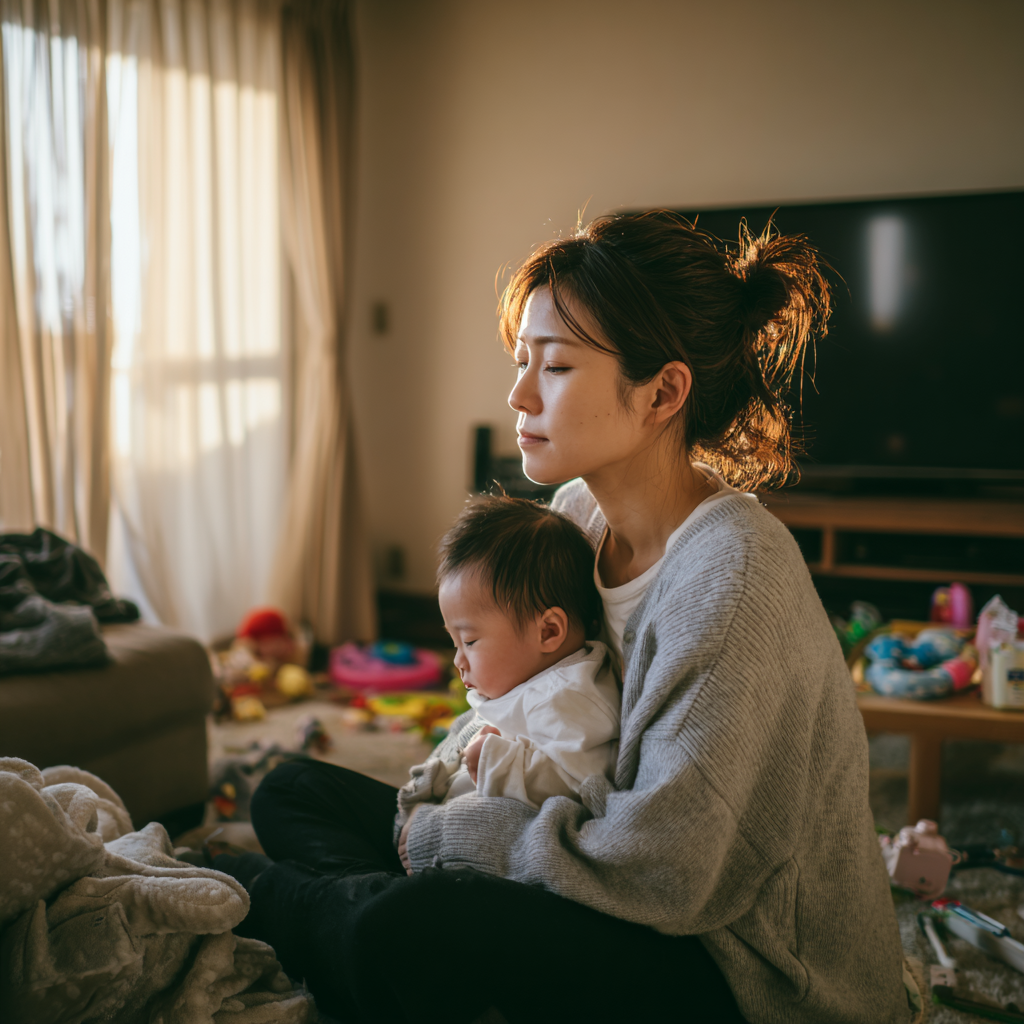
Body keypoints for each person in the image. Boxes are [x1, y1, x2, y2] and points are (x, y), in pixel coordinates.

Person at [220, 211, 912, 1024]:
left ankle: (299, 909)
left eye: (553, 367)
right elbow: (503, 704)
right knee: (290, 791)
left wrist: (450, 840)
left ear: (662, 392)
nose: (517, 395)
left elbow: (667, 871)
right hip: (589, 860)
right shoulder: (579, 513)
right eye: (522, 362)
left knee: (411, 925)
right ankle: (348, 923)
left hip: (741, 970)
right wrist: (433, 801)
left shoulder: (733, 581)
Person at [398, 494, 619, 826]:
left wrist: (495, 762)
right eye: (454, 642)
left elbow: (584, 786)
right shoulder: (525, 678)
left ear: (548, 632)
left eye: (469, 641)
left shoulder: (570, 698)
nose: (458, 660)